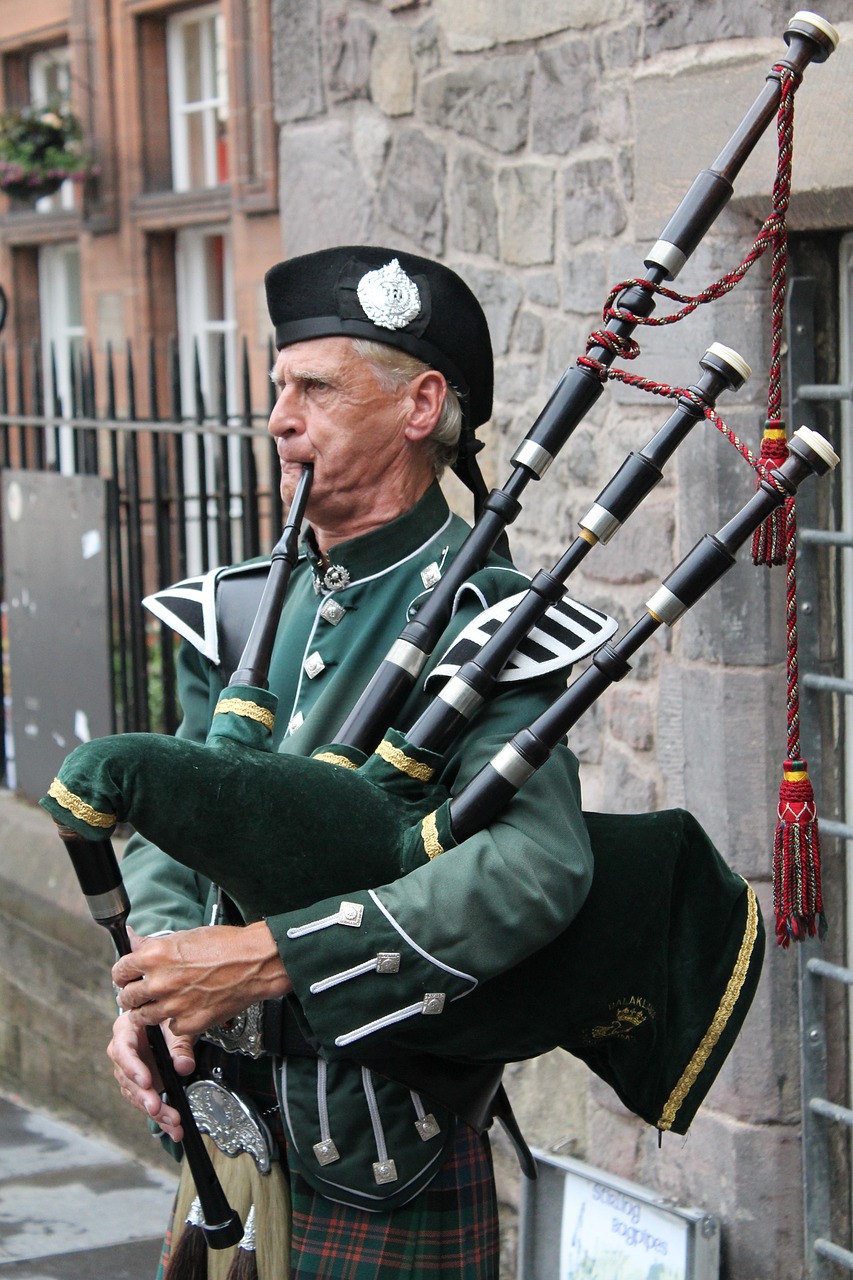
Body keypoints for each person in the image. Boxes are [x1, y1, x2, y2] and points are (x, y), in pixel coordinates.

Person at [108, 246, 593, 1278]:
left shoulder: (491, 620)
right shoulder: (239, 609)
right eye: (279, 387)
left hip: (383, 1142)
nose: (280, 417)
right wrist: (153, 985)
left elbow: (535, 865)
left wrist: (284, 954)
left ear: (420, 406)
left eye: (315, 387)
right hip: (222, 1131)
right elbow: (171, 826)